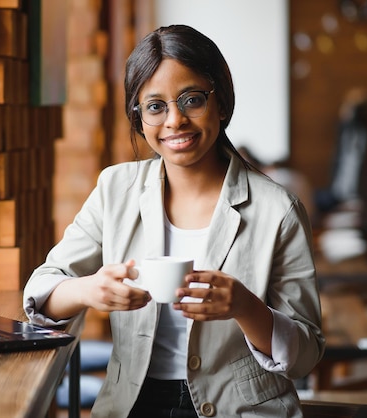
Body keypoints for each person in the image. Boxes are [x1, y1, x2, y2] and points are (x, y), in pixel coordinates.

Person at [24, 24, 325, 417]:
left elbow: (306, 354)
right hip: (131, 404)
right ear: (139, 118)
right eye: (155, 106)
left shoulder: (277, 209)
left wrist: (245, 307)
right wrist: (89, 290)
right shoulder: (116, 189)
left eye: (191, 99)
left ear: (220, 103)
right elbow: (42, 289)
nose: (175, 120)